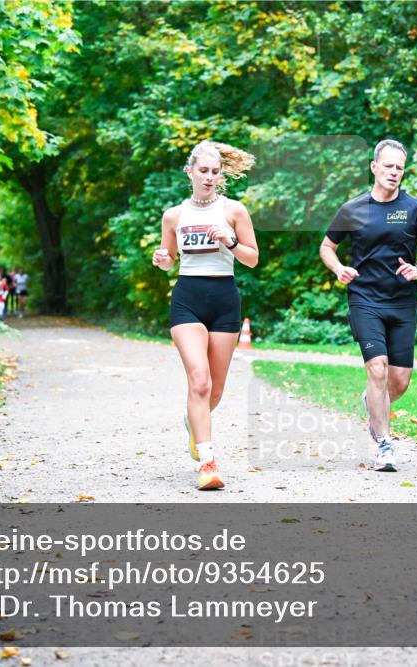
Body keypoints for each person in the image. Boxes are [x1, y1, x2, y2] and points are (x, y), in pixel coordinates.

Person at [319, 139, 417, 472]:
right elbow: (327, 246)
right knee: (377, 368)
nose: (394, 173)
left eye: (399, 168)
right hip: (365, 299)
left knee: (399, 381)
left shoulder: (415, 209)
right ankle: (385, 446)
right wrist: (338, 268)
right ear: (374, 167)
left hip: (401, 302)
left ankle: (371, 403)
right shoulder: (353, 209)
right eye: (388, 166)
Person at [151, 140, 259, 490]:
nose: (209, 177)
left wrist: (229, 241)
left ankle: (193, 424)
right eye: (203, 171)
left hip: (225, 299)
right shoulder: (174, 215)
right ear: (190, 172)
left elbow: (252, 258)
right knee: (199, 380)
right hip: (188, 298)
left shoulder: (234, 211)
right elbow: (169, 259)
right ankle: (208, 464)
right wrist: (163, 260)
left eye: (215, 172)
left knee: (215, 389)